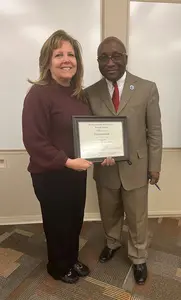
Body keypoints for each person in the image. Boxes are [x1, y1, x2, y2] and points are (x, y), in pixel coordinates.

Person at [85, 36, 162, 285]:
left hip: (137, 167)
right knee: (109, 212)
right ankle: (112, 243)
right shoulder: (90, 93)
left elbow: (154, 132)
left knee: (137, 215)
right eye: (103, 57)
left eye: (116, 56)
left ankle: (139, 257)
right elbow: (87, 131)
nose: (110, 62)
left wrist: (155, 167)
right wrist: (93, 151)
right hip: (105, 168)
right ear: (98, 62)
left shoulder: (147, 88)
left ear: (125, 58)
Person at [22, 30, 93, 284]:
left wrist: (103, 153)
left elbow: (87, 135)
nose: (66, 59)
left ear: (78, 62)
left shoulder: (79, 95)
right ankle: (58, 266)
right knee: (57, 223)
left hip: (76, 171)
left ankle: (71, 259)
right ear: (47, 62)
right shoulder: (38, 94)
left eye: (71, 54)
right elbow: (34, 141)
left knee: (75, 219)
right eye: (58, 54)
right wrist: (66, 161)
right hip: (50, 173)